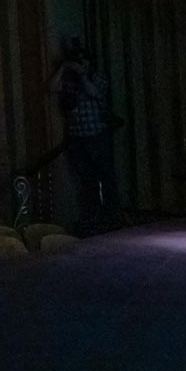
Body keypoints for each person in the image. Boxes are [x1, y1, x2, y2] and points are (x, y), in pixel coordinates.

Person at [52, 38, 120, 230]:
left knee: (106, 177)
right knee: (86, 180)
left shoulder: (97, 78)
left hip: (97, 136)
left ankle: (112, 217)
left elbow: (95, 93)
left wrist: (83, 76)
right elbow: (52, 88)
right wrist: (64, 68)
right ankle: (92, 216)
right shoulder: (68, 80)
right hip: (77, 139)